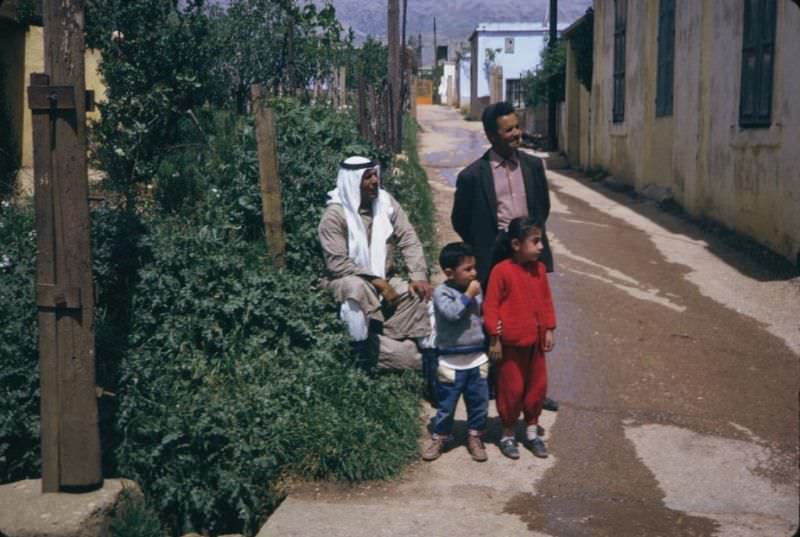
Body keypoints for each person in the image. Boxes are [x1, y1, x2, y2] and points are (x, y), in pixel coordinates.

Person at [451, 100, 559, 413]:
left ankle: (533, 391)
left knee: (534, 319)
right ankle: (498, 388)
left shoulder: (532, 166)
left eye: (517, 127)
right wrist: (484, 245)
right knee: (496, 321)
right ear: (491, 135)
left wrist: (530, 243)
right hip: (493, 255)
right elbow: (461, 220)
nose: (516, 134)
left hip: (529, 253)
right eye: (508, 129)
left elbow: (543, 209)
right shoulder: (473, 176)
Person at [318, 156, 434, 369]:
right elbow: (337, 265)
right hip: (345, 283)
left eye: (375, 175)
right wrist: (377, 281)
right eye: (367, 177)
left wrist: (418, 275)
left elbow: (408, 237)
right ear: (353, 182)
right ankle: (359, 360)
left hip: (386, 282)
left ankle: (428, 362)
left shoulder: (385, 202)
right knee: (355, 288)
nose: (374, 181)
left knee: (421, 293)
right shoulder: (334, 216)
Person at [483, 217, 556, 460]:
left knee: (536, 389)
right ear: (516, 244)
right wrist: (494, 337)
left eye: (541, 241)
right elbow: (491, 306)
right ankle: (508, 434)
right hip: (511, 346)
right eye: (535, 241)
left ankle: (533, 434)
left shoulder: (540, 270)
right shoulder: (501, 271)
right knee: (511, 390)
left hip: (535, 344)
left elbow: (546, 301)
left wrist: (548, 329)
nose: (541, 247)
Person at [422, 242, 489, 462]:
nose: (474, 273)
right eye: (467, 269)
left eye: (474, 268)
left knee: (479, 403)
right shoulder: (442, 292)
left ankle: (475, 436)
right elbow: (452, 314)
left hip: (477, 357)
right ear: (449, 272)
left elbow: (479, 316)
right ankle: (441, 436)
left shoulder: (475, 290)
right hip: (450, 361)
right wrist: (468, 295)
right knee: (446, 405)